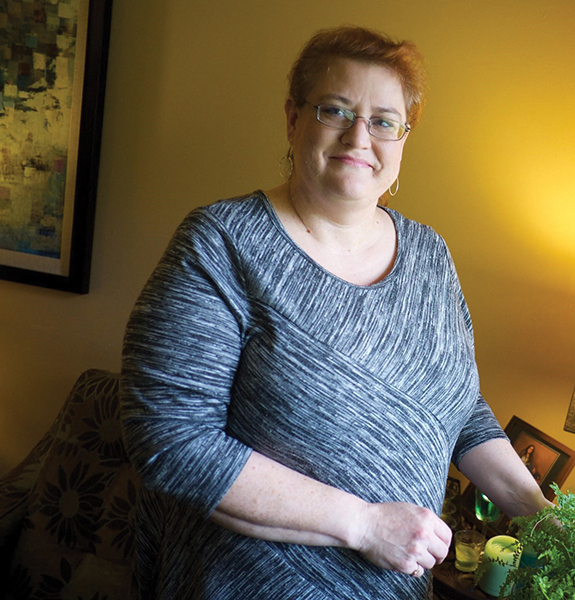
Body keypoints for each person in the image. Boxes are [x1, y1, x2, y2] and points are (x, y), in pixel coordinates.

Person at [120, 25, 550, 600]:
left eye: (383, 120)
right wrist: (366, 525)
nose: (358, 136)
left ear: (403, 138)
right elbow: (170, 441)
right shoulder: (222, 244)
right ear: (293, 119)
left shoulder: (431, 255)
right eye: (335, 109)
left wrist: (542, 516)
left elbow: (458, 407)